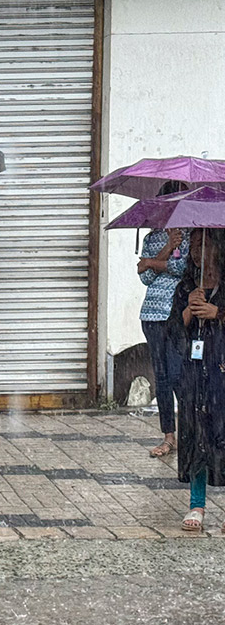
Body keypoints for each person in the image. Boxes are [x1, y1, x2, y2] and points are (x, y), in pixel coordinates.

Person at [173, 228, 225, 532]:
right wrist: (189, 311)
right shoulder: (187, 286)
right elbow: (172, 331)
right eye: (193, 244)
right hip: (195, 373)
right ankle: (196, 503)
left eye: (203, 243)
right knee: (197, 435)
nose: (197, 251)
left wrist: (218, 312)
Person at [137, 182, 190, 458]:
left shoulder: (191, 234)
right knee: (162, 378)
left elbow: (182, 269)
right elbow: (144, 277)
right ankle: (169, 436)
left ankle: (190, 431)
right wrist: (167, 248)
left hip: (179, 314)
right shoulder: (152, 237)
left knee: (179, 374)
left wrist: (151, 262)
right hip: (151, 315)